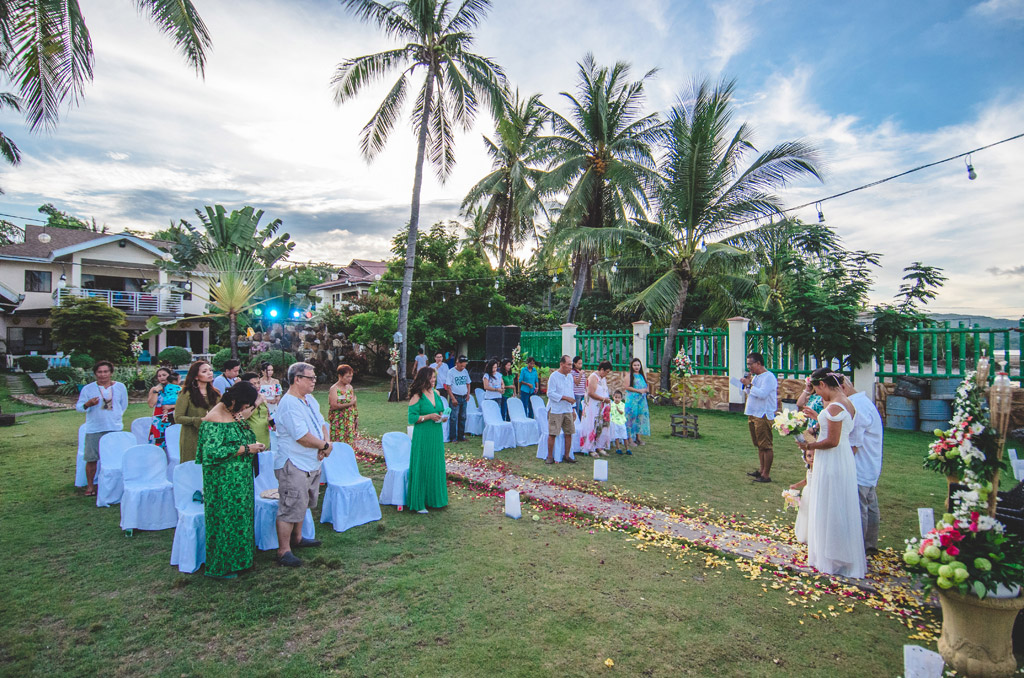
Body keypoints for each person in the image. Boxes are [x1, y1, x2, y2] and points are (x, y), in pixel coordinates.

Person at [796, 368, 866, 579]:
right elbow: (836, 430)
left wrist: (809, 446)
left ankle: (833, 557)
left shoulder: (835, 406)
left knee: (831, 503)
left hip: (833, 459)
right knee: (836, 502)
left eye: (817, 389)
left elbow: (832, 441)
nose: (817, 394)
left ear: (823, 385)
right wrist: (818, 417)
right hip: (841, 458)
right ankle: (832, 553)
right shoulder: (847, 402)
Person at [195, 382, 266, 579]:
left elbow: (241, 424)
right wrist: (247, 449)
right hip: (222, 481)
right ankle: (222, 566)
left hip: (239, 479)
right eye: (244, 405)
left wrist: (252, 445)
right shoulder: (214, 418)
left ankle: (241, 560)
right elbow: (211, 453)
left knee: (240, 518)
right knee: (225, 519)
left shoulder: (233, 412)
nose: (245, 409)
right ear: (235, 400)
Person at [273, 362, 330, 567]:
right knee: (290, 505)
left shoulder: (310, 399)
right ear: (297, 379)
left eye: (315, 377)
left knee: (303, 503)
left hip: (311, 460)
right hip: (293, 462)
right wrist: (323, 445)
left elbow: (321, 423)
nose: (314, 381)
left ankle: (298, 538)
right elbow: (301, 437)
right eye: (310, 378)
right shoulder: (289, 404)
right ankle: (283, 550)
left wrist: (325, 443)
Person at [843, 377, 884, 555]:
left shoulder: (855, 406)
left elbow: (854, 441)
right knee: (870, 503)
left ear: (843, 387)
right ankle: (869, 544)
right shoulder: (863, 401)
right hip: (871, 462)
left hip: (861, 464)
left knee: (860, 507)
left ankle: (860, 546)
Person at [75, 361, 128, 497]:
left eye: (106, 371)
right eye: (100, 372)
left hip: (114, 428)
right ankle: (91, 485)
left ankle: (115, 486)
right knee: (91, 458)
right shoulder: (88, 389)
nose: (103, 375)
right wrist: (88, 404)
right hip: (95, 428)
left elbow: (123, 405)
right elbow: (79, 407)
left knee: (115, 458)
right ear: (95, 374)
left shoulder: (120, 387)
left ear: (111, 373)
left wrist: (115, 417)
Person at [407, 367, 449, 513]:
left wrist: (441, 417)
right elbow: (412, 418)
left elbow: (440, 410)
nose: (433, 380)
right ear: (424, 378)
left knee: (435, 464)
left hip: (436, 434)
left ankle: (436, 499)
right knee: (423, 465)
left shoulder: (436, 393)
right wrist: (428, 417)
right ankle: (420, 503)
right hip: (423, 434)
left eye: (434, 378)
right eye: (431, 378)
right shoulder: (417, 396)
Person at [742, 352, 779, 483]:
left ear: (758, 363)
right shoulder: (756, 377)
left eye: (750, 364)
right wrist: (746, 384)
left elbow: (762, 394)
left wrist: (749, 384)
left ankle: (766, 474)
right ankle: (761, 470)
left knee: (766, 445)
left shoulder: (768, 377)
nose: (749, 367)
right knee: (759, 444)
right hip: (753, 412)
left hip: (763, 414)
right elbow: (750, 392)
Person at [175, 361, 220, 464]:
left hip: (212, 436)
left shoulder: (216, 393)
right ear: (196, 376)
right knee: (192, 469)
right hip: (192, 438)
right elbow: (178, 418)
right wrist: (198, 420)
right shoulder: (186, 393)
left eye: (210, 370)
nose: (210, 373)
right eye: (205, 371)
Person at [544, 355, 577, 465]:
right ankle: (549, 456)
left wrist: (573, 409)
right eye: (568, 364)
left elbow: (571, 392)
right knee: (553, 433)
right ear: (561, 364)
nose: (570, 367)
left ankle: (567, 455)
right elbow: (550, 393)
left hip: (567, 409)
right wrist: (565, 398)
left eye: (571, 364)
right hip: (556, 409)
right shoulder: (554, 376)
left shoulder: (570, 377)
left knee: (569, 432)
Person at [580, 361, 613, 457]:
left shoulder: (603, 378)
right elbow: (591, 392)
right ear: (601, 369)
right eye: (606, 371)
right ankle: (590, 447)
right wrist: (603, 399)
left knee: (601, 425)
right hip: (593, 406)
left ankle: (599, 446)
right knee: (592, 425)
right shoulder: (593, 377)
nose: (607, 374)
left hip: (602, 406)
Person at [328, 364, 358, 443]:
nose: (350, 379)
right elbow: (334, 405)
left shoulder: (350, 387)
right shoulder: (334, 388)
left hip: (349, 419)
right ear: (340, 376)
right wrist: (350, 403)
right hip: (338, 420)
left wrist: (356, 417)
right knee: (338, 441)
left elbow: (354, 404)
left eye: (351, 376)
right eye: (347, 377)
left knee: (350, 441)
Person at [625, 358, 651, 446]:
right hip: (632, 400)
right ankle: (630, 438)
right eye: (635, 365)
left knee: (640, 417)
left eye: (638, 365)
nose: (636, 367)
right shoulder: (629, 375)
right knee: (631, 418)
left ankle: (638, 437)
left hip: (641, 401)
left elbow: (646, 385)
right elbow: (627, 387)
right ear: (632, 366)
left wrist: (646, 390)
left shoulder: (642, 375)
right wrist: (638, 390)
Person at [445, 355, 472, 442]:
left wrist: (468, 394)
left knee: (463, 417)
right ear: (457, 363)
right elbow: (448, 387)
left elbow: (468, 383)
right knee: (453, 417)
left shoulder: (465, 371)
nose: (463, 367)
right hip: (455, 396)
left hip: (463, 397)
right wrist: (452, 398)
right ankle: (453, 437)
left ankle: (461, 436)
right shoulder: (451, 372)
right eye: (461, 366)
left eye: (464, 366)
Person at [241, 372, 271, 448]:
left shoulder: (262, 397)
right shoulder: (243, 400)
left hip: (265, 437)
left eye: (258, 383)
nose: (257, 386)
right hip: (251, 440)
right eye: (253, 384)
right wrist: (257, 402)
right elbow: (242, 417)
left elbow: (268, 415)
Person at [146, 367, 174, 448]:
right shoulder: (154, 389)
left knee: (172, 443)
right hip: (158, 419)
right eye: (159, 376)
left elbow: (181, 403)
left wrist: (171, 406)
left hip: (172, 417)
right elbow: (151, 404)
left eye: (164, 375)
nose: (162, 377)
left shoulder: (175, 388)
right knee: (158, 444)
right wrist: (156, 391)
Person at [610, 390, 629, 455]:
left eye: (618, 398)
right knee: (616, 436)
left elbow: (622, 412)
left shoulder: (622, 404)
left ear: (621, 398)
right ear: (613, 397)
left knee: (624, 436)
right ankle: (618, 448)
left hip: (621, 423)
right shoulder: (612, 405)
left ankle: (627, 449)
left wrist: (618, 410)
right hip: (615, 422)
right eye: (616, 397)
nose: (617, 399)